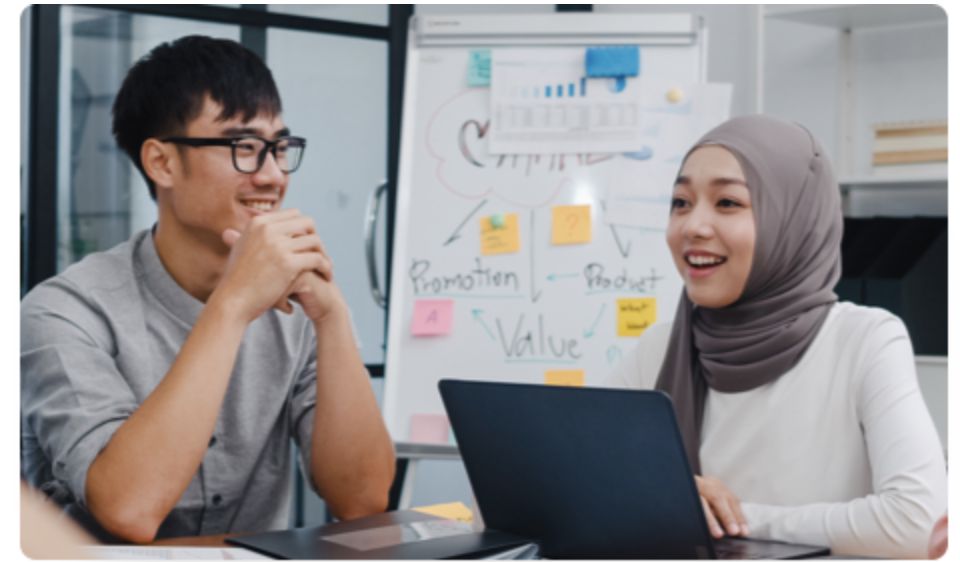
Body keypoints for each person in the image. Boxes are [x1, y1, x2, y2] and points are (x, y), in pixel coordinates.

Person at [20, 35, 395, 544]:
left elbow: (363, 500)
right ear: (162, 163)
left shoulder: (298, 306)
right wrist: (233, 305)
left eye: (280, 148)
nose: (272, 176)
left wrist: (332, 317)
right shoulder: (63, 312)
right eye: (243, 148)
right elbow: (129, 510)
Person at [604, 115, 946, 558]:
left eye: (727, 202)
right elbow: (578, 484)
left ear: (794, 220)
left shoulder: (864, 339)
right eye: (681, 202)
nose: (692, 226)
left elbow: (918, 522)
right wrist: (657, 494)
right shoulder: (659, 347)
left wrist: (728, 516)